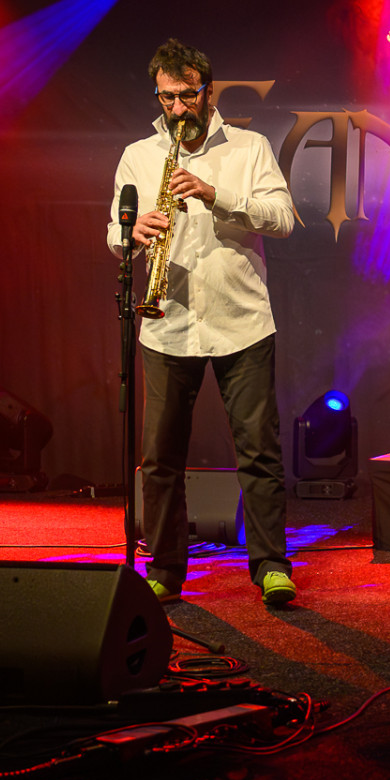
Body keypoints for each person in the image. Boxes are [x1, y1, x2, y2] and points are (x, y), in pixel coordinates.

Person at [107, 39, 297, 605]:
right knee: (159, 458)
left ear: (208, 92)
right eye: (167, 98)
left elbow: (283, 218)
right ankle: (165, 569)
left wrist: (216, 195)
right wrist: (132, 233)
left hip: (242, 322)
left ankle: (271, 565)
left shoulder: (249, 147)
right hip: (167, 323)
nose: (177, 109)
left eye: (187, 96)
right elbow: (115, 231)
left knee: (258, 452)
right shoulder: (139, 154)